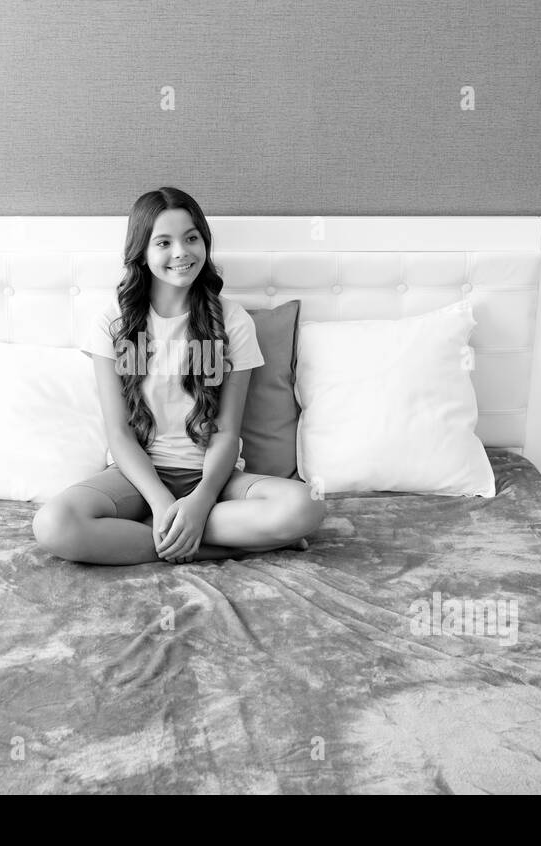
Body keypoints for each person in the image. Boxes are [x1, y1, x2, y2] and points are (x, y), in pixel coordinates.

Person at [33, 186, 325, 564]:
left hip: (213, 480)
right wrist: (162, 502)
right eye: (164, 242)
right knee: (54, 524)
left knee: (307, 506)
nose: (181, 253)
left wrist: (200, 502)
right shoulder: (113, 322)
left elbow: (226, 431)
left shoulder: (231, 321)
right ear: (141, 251)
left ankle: (163, 535)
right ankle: (215, 545)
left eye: (191, 238)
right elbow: (119, 433)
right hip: (136, 480)